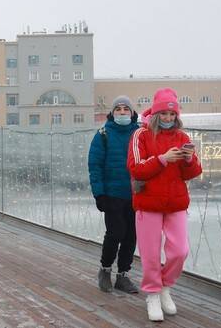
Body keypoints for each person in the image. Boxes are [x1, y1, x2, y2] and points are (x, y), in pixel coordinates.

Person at [128, 88, 202, 321]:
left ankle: (166, 287)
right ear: (157, 114)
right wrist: (162, 160)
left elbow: (193, 172)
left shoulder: (182, 137)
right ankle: (152, 293)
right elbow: (136, 169)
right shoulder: (141, 135)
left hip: (176, 202)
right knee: (150, 253)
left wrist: (189, 159)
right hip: (148, 202)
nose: (169, 119)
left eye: (172, 115)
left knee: (180, 250)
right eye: (164, 115)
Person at [88, 96, 139, 294]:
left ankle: (123, 276)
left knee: (131, 236)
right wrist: (99, 194)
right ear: (112, 113)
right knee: (115, 233)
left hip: (136, 195)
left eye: (126, 109)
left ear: (132, 113)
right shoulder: (103, 134)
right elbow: (95, 166)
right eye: (118, 109)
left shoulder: (140, 133)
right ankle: (105, 269)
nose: (122, 112)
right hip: (112, 195)